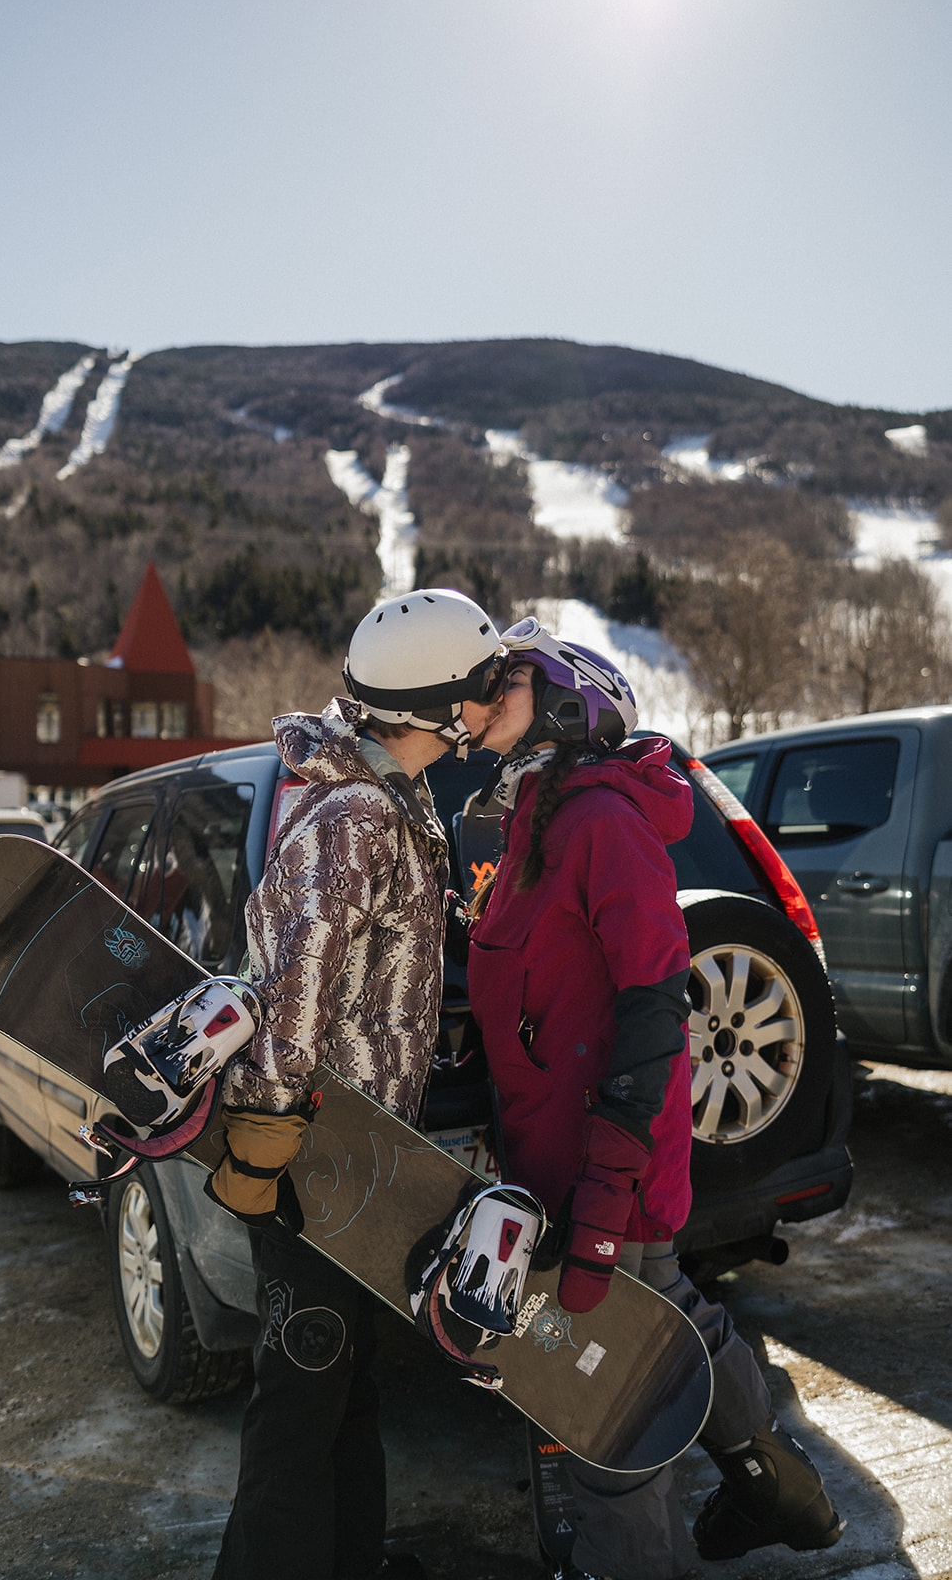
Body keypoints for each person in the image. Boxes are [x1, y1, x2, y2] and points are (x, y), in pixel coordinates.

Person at [466, 617, 845, 1580]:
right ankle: (775, 1484)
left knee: (606, 1398)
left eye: (501, 682)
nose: (475, 700)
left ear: (562, 699)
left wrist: (605, 1187)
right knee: (667, 1320)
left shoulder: (599, 823)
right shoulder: (532, 826)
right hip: (560, 1151)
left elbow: (650, 1008)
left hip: (608, 1156)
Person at [205, 587, 508, 1580]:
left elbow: (375, 972)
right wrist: (267, 1132)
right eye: (477, 689)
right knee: (300, 1394)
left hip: (367, 1154)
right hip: (311, 1154)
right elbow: (293, 985)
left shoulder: (394, 798)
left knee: (346, 1378)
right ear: (435, 705)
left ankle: (349, 1560)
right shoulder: (353, 816)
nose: (484, 708)